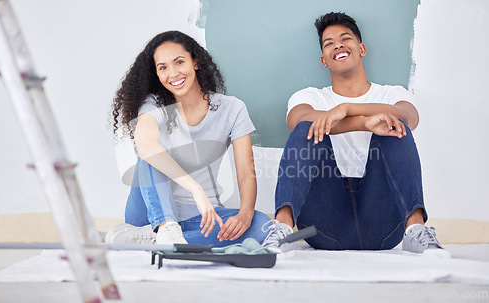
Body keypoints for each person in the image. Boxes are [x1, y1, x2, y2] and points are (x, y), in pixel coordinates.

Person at [262, 12, 449, 257]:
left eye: (345, 38)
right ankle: (284, 229)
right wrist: (363, 122)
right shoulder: (311, 96)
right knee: (307, 127)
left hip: (383, 222)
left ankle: (415, 230)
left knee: (394, 125)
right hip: (324, 225)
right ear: (324, 60)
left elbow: (408, 116)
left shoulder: (391, 93)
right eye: (329, 43)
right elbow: (297, 119)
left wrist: (346, 109)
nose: (337, 45)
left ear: (361, 48)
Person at [108, 30, 270, 246]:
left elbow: (245, 171)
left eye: (179, 62)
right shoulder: (154, 105)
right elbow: (145, 146)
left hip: (200, 215)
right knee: (153, 149)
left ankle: (154, 241)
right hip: (148, 211)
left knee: (261, 224)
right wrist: (196, 189)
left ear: (195, 62)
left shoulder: (232, 108)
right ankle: (165, 228)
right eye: (163, 67)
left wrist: (246, 213)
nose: (173, 73)